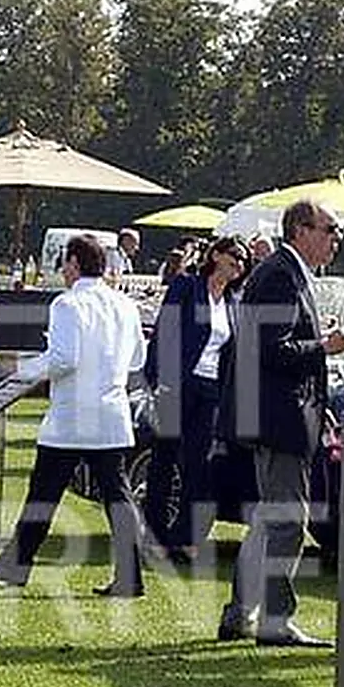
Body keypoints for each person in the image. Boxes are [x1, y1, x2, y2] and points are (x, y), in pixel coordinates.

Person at [0, 234, 148, 597]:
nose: (63, 270)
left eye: (65, 262)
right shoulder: (125, 304)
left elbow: (65, 359)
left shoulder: (67, 303)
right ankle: (129, 577)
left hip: (72, 418)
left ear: (75, 264)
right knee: (117, 497)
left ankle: (15, 564)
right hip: (110, 415)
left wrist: (23, 368)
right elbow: (136, 360)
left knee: (43, 494)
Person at [216, 200, 344, 647]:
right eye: (330, 229)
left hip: (281, 413)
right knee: (288, 521)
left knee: (269, 520)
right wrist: (324, 346)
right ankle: (275, 620)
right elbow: (270, 349)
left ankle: (241, 614)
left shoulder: (284, 272)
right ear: (300, 230)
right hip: (278, 419)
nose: (336, 239)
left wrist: (317, 397)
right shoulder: (279, 274)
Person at [142, 236, 248, 564]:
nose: (239, 264)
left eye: (243, 261)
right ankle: (155, 535)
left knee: (199, 466)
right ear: (216, 255)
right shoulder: (187, 286)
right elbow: (164, 332)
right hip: (177, 384)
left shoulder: (233, 301)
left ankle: (184, 538)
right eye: (235, 256)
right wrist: (158, 380)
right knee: (163, 460)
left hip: (210, 391)